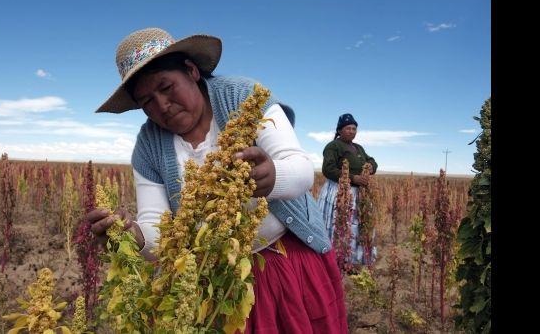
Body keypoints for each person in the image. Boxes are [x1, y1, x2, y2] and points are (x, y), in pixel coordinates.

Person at [87, 27, 347, 333]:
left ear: (192, 70)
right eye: (147, 102)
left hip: (287, 261)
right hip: (218, 281)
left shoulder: (243, 96)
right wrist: (132, 235)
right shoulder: (149, 145)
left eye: (167, 87)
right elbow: (158, 230)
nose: (162, 106)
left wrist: (272, 176)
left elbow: (301, 170)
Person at [317, 113, 378, 268]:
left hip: (358, 194)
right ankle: (334, 259)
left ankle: (352, 260)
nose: (352, 131)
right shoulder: (333, 146)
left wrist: (370, 166)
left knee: (356, 226)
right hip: (339, 191)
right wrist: (352, 178)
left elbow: (372, 160)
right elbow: (328, 169)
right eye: (348, 128)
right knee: (339, 224)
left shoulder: (358, 148)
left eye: (354, 128)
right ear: (340, 130)